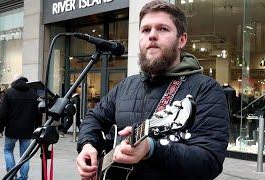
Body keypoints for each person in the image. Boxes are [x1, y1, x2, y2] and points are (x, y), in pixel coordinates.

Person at [76, 1, 229, 180]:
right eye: (146, 30)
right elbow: (93, 118)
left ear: (182, 40)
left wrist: (153, 149)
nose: (152, 36)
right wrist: (87, 145)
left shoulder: (205, 89)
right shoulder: (127, 85)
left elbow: (209, 162)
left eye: (163, 29)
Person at [0, 75, 41, 180]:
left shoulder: (8, 93)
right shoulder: (33, 94)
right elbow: (37, 114)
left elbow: (3, 113)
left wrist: (0, 128)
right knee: (25, 155)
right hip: (27, 130)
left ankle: (12, 176)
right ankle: (23, 177)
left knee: (8, 151)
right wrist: (37, 128)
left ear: (14, 81)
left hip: (11, 129)